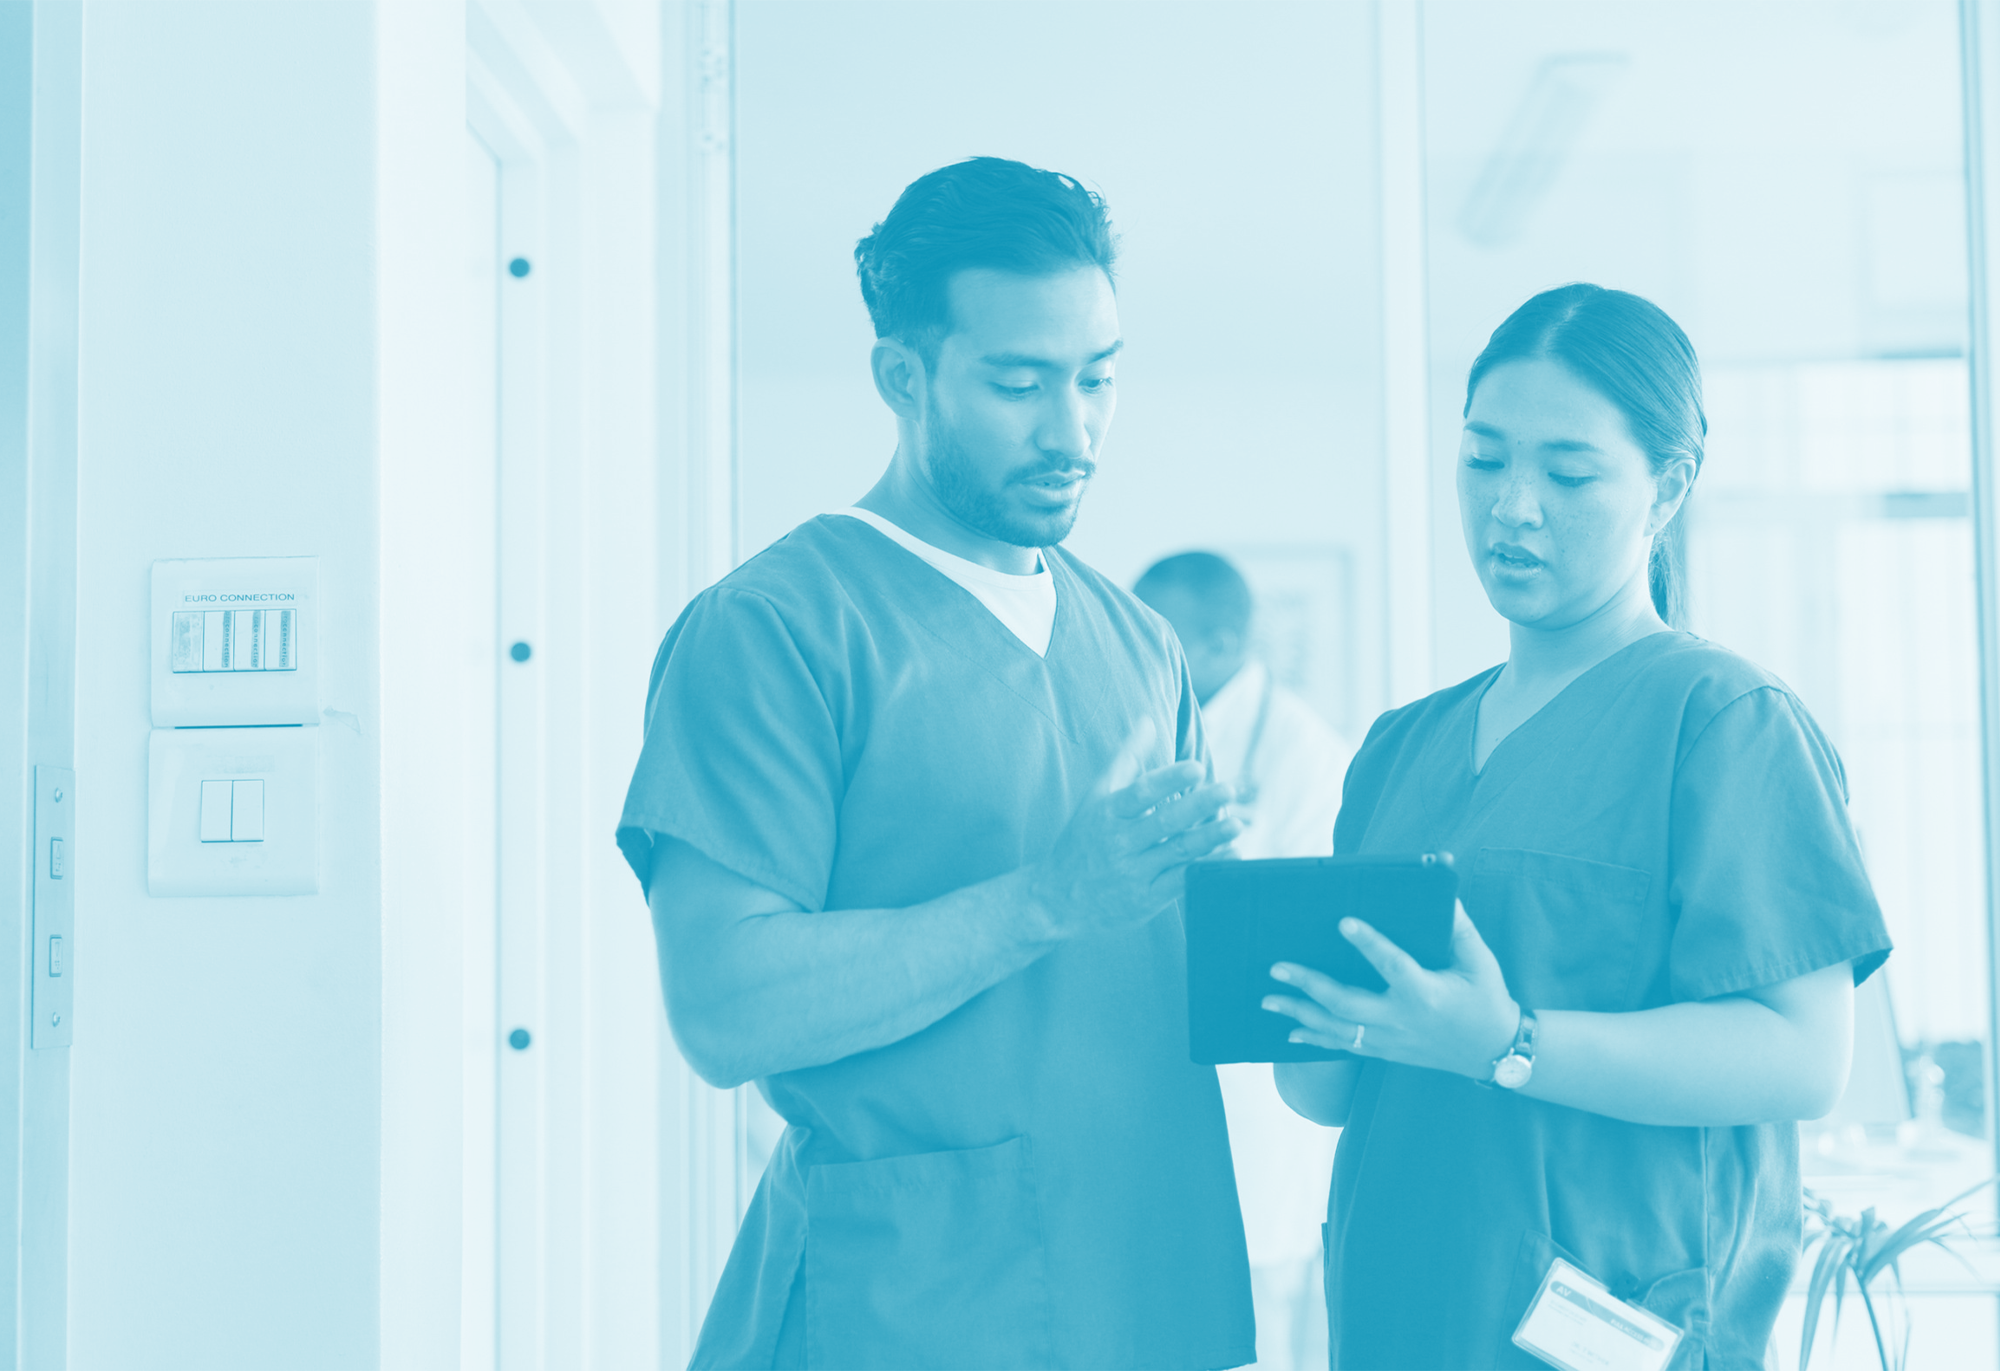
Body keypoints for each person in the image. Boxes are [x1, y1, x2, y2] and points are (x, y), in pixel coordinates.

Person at [618, 157, 1256, 1371]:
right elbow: (721, 1005)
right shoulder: (775, 629)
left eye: (1097, 380)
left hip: (1146, 1292)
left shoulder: (1140, 644)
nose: (1070, 430)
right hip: (913, 1311)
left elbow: (1154, 978)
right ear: (900, 376)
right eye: (1016, 383)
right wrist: (1040, 902)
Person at [1264, 283, 1892, 1370]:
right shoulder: (1399, 747)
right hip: (1401, 1300)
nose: (1511, 506)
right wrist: (1301, 1007)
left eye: (1565, 473)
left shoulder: (1722, 720)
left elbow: (1801, 1057)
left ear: (1666, 489)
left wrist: (1507, 1045)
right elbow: (1326, 1091)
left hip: (1607, 1319)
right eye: (1481, 459)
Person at [1135, 551, 1350, 1371]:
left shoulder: (1305, 756)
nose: (1143, 651)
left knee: (1248, 1338)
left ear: (1224, 640)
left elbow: (1289, 937)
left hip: (1258, 1109)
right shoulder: (1153, 726)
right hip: (1159, 1089)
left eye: (1164, 636)